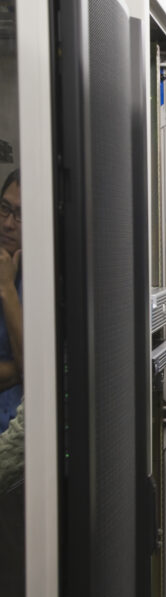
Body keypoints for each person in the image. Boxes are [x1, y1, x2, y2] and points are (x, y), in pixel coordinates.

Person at [0, 170, 22, 434]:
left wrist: (6, 288)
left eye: (20, 214)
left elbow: (37, 375)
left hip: (22, 443)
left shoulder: (49, 282)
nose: (7, 223)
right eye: (4, 208)